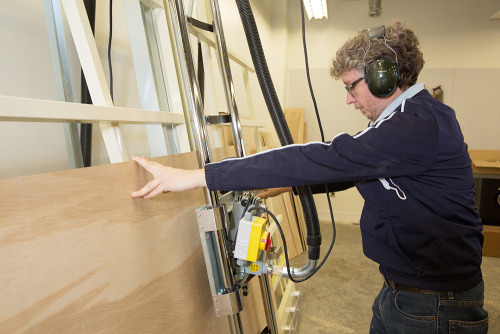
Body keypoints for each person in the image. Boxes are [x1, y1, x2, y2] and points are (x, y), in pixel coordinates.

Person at [132, 19, 488, 333]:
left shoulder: (415, 123)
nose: (349, 99)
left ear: (384, 77)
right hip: (407, 291)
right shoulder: (415, 119)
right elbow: (355, 173)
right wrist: (283, 183)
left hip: (434, 305)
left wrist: (201, 176)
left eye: (352, 86)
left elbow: (328, 157)